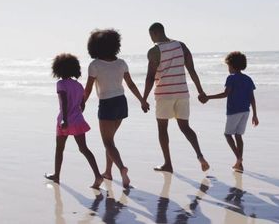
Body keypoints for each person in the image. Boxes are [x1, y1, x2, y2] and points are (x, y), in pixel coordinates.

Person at [84, 29, 149, 188]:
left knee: (107, 142)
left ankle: (122, 168)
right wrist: (142, 101)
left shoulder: (95, 65)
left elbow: (88, 89)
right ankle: (108, 172)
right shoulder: (121, 63)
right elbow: (131, 84)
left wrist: (82, 104)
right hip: (121, 102)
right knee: (110, 141)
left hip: (107, 103)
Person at [142, 22, 210, 173]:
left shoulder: (154, 51)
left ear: (154, 34)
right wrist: (200, 91)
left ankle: (168, 164)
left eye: (150, 35)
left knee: (162, 128)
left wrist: (143, 99)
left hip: (164, 94)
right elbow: (191, 70)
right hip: (182, 93)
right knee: (185, 127)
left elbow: (150, 77)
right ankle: (200, 156)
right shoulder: (181, 46)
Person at [45, 53, 103, 189]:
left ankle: (57, 175)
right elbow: (82, 105)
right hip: (77, 120)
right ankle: (98, 175)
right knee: (84, 149)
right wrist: (76, 114)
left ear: (58, 69)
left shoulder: (60, 84)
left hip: (64, 121)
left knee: (59, 149)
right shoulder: (78, 85)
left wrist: (65, 119)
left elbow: (64, 101)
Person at [199, 51, 259, 171]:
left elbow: (225, 94)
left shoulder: (231, 78)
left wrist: (208, 97)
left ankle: (238, 159)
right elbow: (252, 97)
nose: (228, 68)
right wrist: (255, 115)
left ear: (232, 65)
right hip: (246, 111)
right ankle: (239, 163)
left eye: (228, 66)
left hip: (234, 111)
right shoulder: (248, 79)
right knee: (238, 135)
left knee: (227, 134)